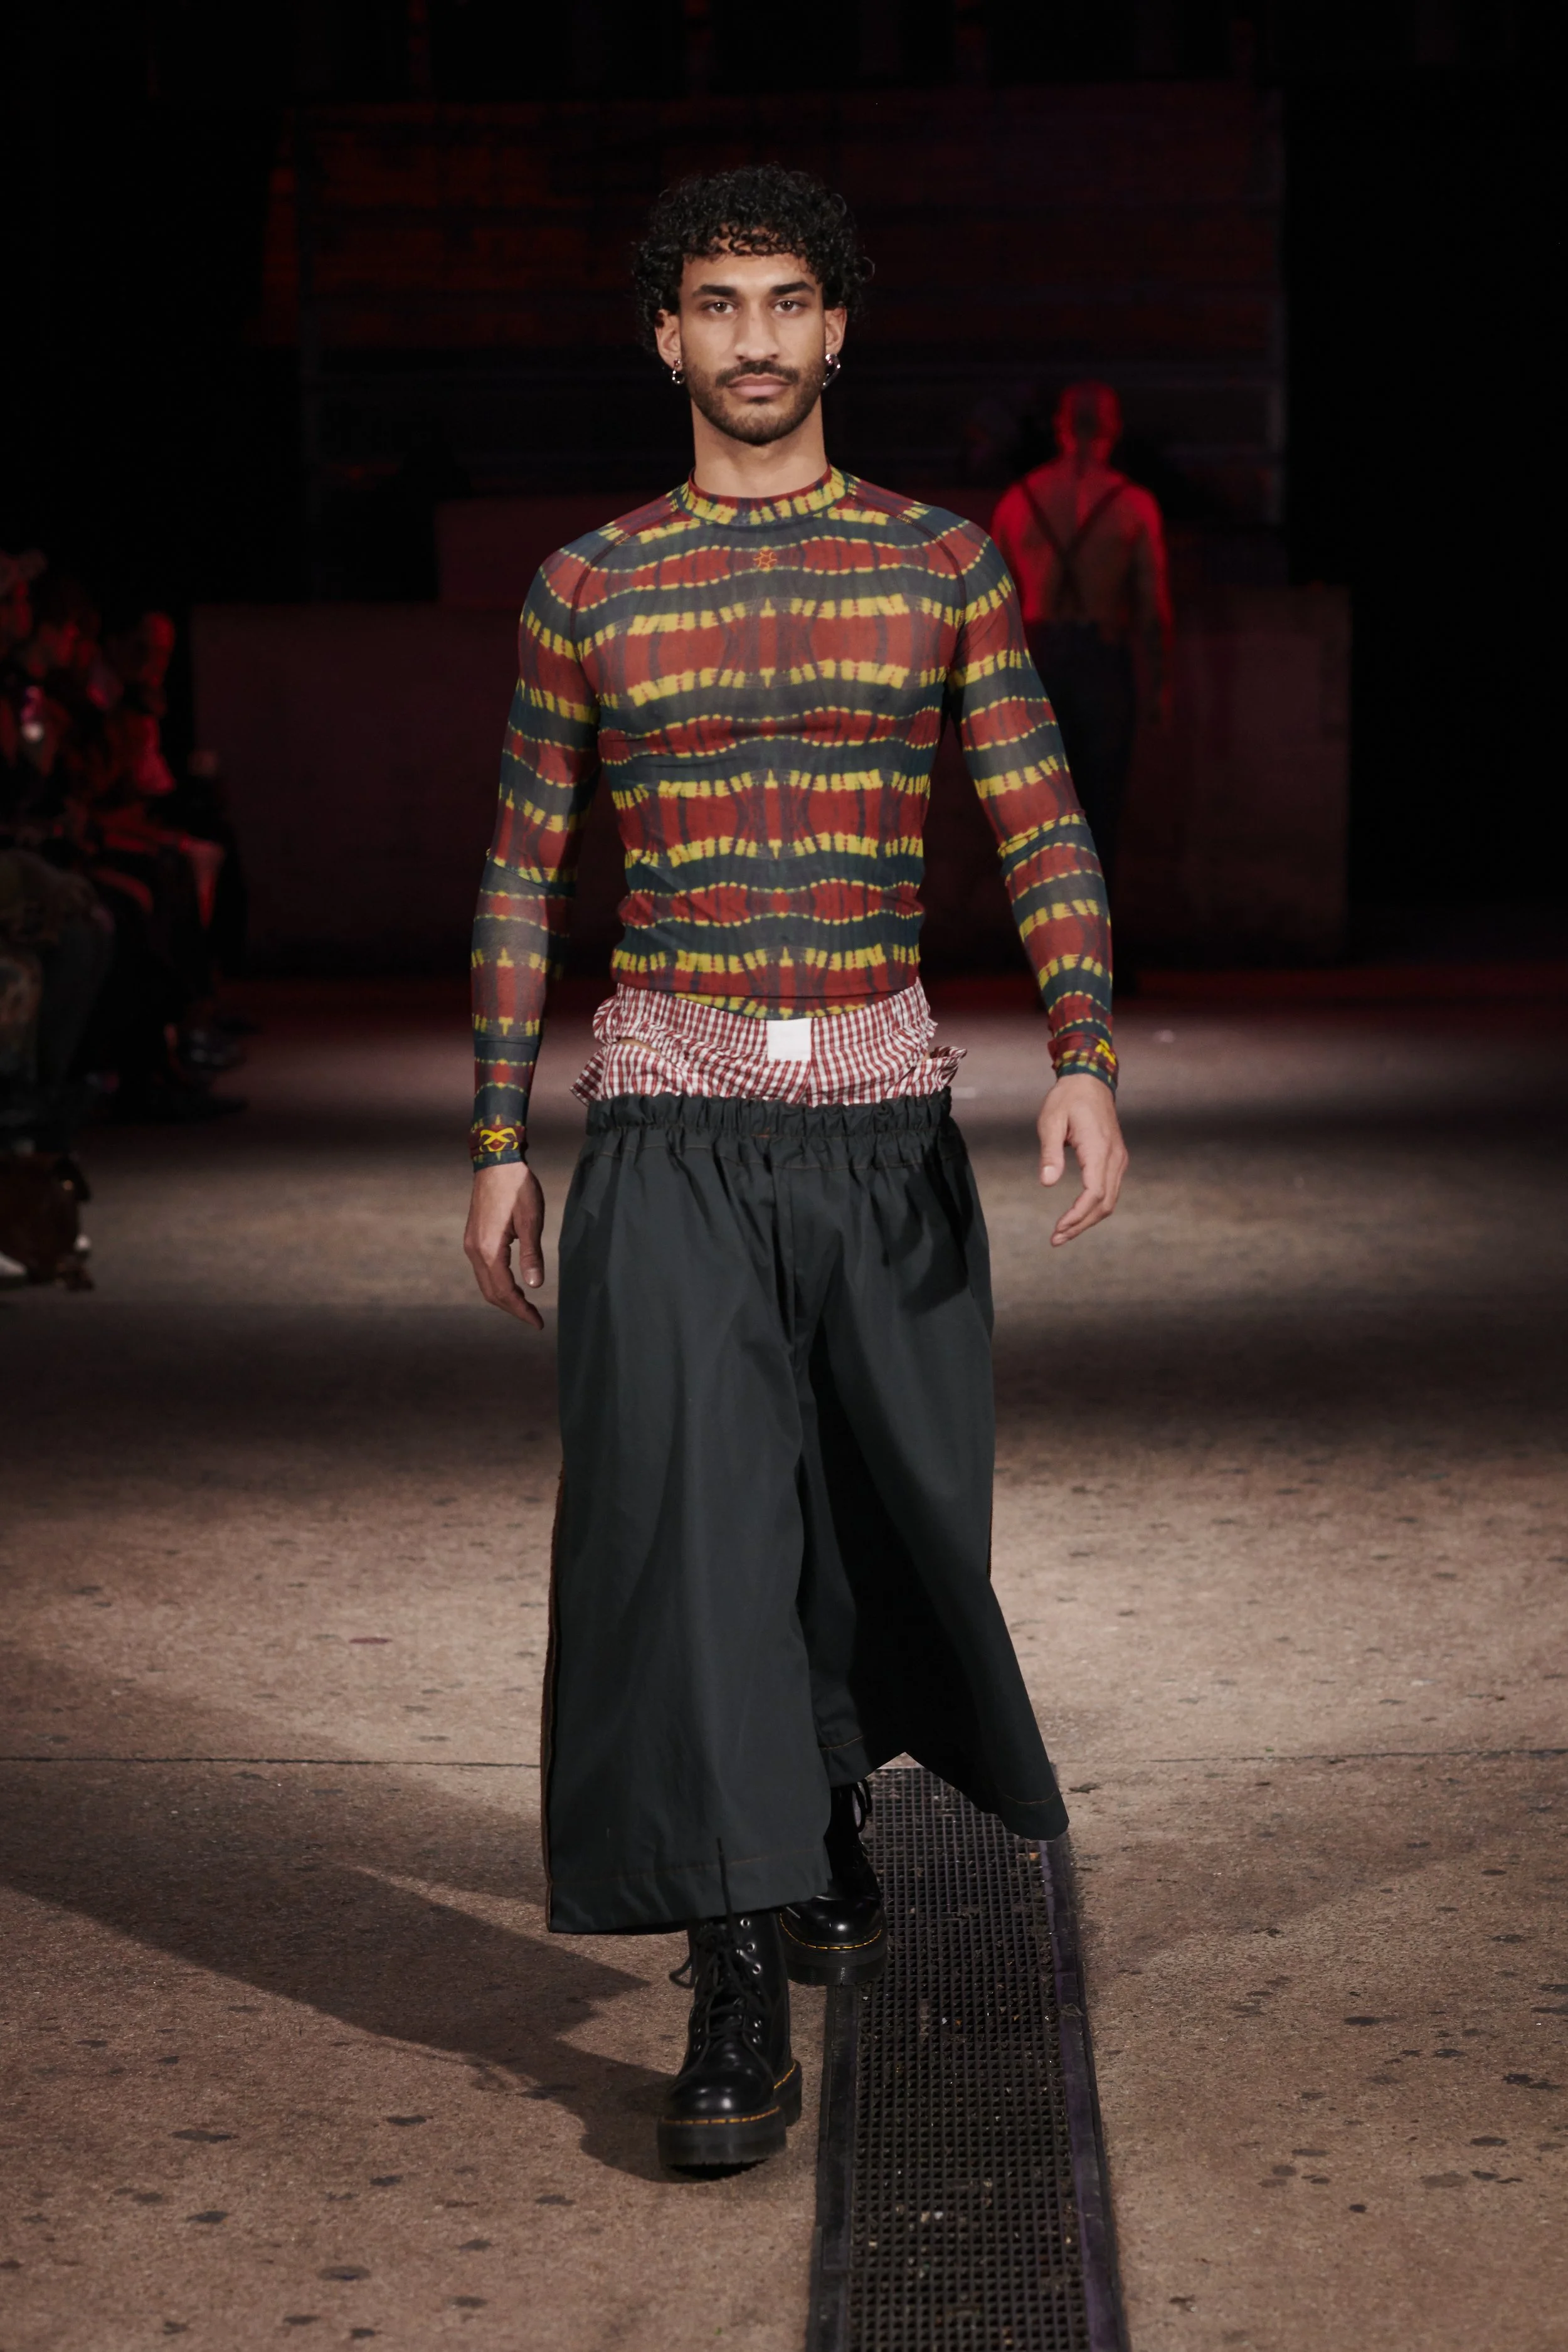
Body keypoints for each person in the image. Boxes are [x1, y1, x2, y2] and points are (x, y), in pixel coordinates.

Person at [463, 166, 1127, 2173]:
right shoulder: (586, 587)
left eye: (783, 302)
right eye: (715, 304)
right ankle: (732, 1954)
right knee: (681, 1529)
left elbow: (1035, 813)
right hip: (668, 1115)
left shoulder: (939, 563)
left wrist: (1082, 1054)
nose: (750, 338)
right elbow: (522, 867)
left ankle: (823, 1793)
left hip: (876, 1110)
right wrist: (497, 1131)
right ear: (661, 336)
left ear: (836, 328)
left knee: (870, 1509)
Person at [991, 381, 1172, 894]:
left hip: (1037, 662)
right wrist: (1160, 685)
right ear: (1115, 428)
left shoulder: (1018, 502)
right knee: (1101, 811)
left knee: (1041, 816)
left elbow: (992, 608)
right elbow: (1153, 609)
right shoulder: (1133, 504)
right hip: (1102, 660)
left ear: (1060, 427)